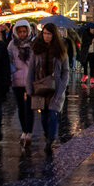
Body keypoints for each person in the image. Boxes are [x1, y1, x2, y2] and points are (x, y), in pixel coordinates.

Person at [27, 22, 70, 154]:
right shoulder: (37, 49)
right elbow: (31, 70)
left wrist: (62, 86)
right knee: (44, 116)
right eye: (45, 33)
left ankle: (50, 139)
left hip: (55, 88)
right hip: (40, 87)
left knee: (52, 114)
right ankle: (47, 135)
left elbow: (65, 71)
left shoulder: (61, 50)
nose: (46, 36)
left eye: (49, 34)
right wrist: (29, 89)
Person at [8, 20, 37, 146]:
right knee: (20, 107)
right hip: (17, 79)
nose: (22, 34)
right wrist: (13, 71)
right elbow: (9, 60)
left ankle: (29, 131)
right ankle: (24, 130)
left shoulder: (34, 44)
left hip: (31, 79)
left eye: (24, 31)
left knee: (29, 107)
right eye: (20, 31)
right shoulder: (11, 45)